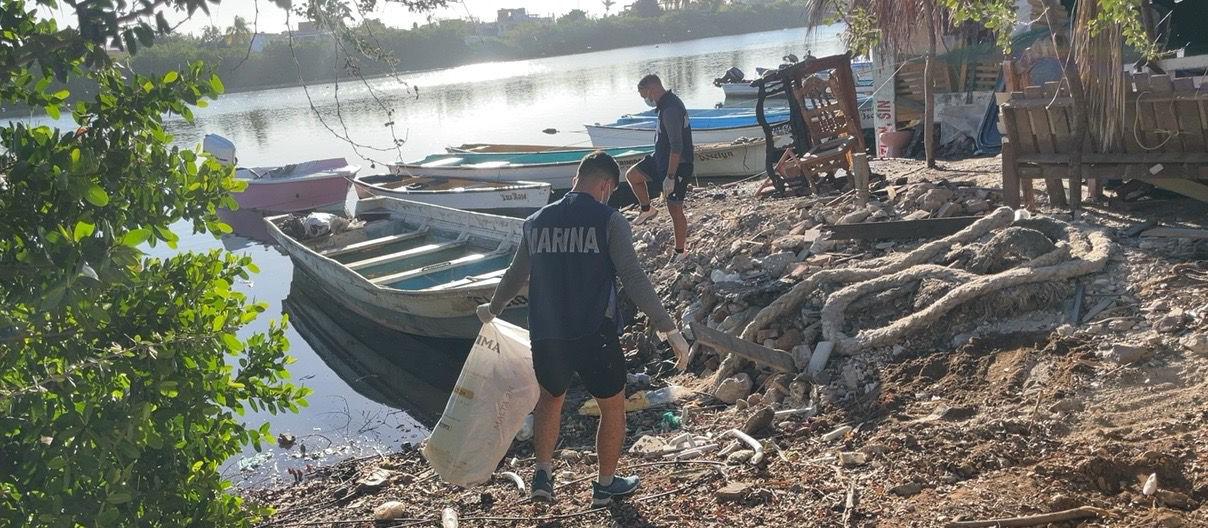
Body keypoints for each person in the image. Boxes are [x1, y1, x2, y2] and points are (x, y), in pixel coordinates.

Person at [477, 151, 691, 507]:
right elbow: (634, 279)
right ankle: (605, 485)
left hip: (547, 333)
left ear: (577, 178)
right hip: (595, 333)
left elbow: (516, 275)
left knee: (550, 400)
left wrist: (493, 309)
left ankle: (543, 474)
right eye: (611, 190)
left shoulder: (535, 221)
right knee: (612, 406)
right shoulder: (609, 220)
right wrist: (668, 328)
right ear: (606, 185)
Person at [627, 74, 692, 261]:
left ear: (651, 89)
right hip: (659, 159)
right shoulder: (663, 105)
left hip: (678, 164)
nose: (645, 100)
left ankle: (680, 252)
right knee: (633, 175)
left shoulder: (671, 108)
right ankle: (647, 209)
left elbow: (677, 146)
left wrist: (670, 176)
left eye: (643, 95)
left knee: (675, 209)